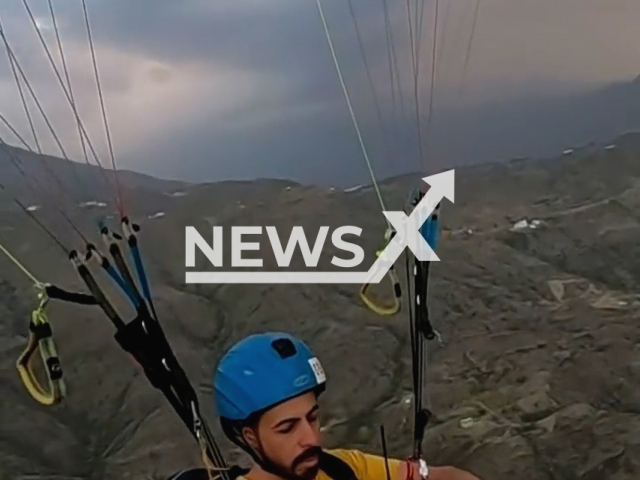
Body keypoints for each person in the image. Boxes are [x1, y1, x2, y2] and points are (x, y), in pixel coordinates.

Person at [211, 331, 482, 480]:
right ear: (251, 438)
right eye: (287, 428)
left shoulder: (340, 468)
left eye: (313, 417)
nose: (311, 437)